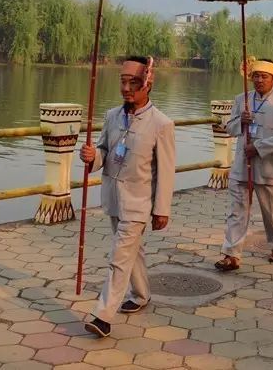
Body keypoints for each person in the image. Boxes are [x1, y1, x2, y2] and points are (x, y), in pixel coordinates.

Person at [81, 57, 176, 338]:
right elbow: (103, 152)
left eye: (133, 82)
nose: (126, 88)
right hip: (112, 196)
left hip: (138, 202)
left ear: (147, 83)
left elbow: (166, 172)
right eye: (122, 81)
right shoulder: (112, 116)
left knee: (119, 257)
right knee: (131, 252)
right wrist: (92, 157)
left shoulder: (161, 124)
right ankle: (142, 293)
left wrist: (162, 209)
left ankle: (103, 315)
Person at [216, 59, 273, 271]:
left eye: (264, 76)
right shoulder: (241, 99)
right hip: (242, 165)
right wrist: (240, 121)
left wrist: (260, 147)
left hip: (268, 166)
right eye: (256, 76)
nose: (259, 80)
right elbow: (231, 129)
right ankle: (231, 253)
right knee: (237, 211)